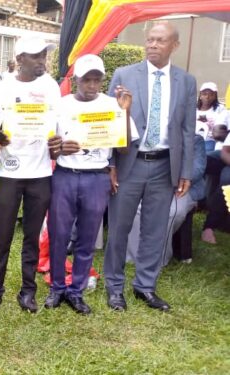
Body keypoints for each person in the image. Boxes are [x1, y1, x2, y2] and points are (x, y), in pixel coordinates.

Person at [104, 22, 196, 312]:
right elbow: (109, 122)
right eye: (150, 40)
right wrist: (109, 163)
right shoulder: (125, 74)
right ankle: (115, 287)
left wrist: (185, 172)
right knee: (119, 228)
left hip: (164, 166)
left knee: (155, 230)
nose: (152, 45)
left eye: (160, 40)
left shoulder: (187, 81)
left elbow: (187, 129)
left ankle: (145, 286)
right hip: (129, 163)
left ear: (174, 46)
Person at [44, 54, 135, 315]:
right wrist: (60, 148)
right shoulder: (61, 105)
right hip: (65, 175)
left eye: (97, 80)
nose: (92, 85)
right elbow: (49, 149)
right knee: (59, 234)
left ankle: (76, 290)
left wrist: (126, 111)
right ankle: (57, 287)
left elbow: (125, 147)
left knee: (87, 237)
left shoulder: (113, 104)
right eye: (87, 80)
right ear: (76, 81)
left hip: (97, 177)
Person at [0, 37, 60, 314]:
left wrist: (57, 145)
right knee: (2, 235)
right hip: (9, 171)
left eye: (44, 55)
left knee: (31, 235)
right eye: (36, 55)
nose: (42, 60)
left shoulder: (50, 86)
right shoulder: (2, 89)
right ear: (20, 59)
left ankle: (28, 291)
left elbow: (56, 126)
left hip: (40, 173)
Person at [127, 132, 206, 265]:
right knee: (136, 209)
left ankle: (158, 260)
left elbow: (198, 168)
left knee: (170, 213)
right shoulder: (153, 137)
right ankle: (133, 257)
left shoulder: (195, 139)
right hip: (152, 185)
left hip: (183, 188)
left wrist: (174, 180)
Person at [195, 82, 228, 151]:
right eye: (204, 94)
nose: (207, 97)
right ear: (200, 96)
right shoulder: (192, 108)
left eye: (211, 94)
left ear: (215, 97)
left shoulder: (220, 109)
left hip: (209, 140)